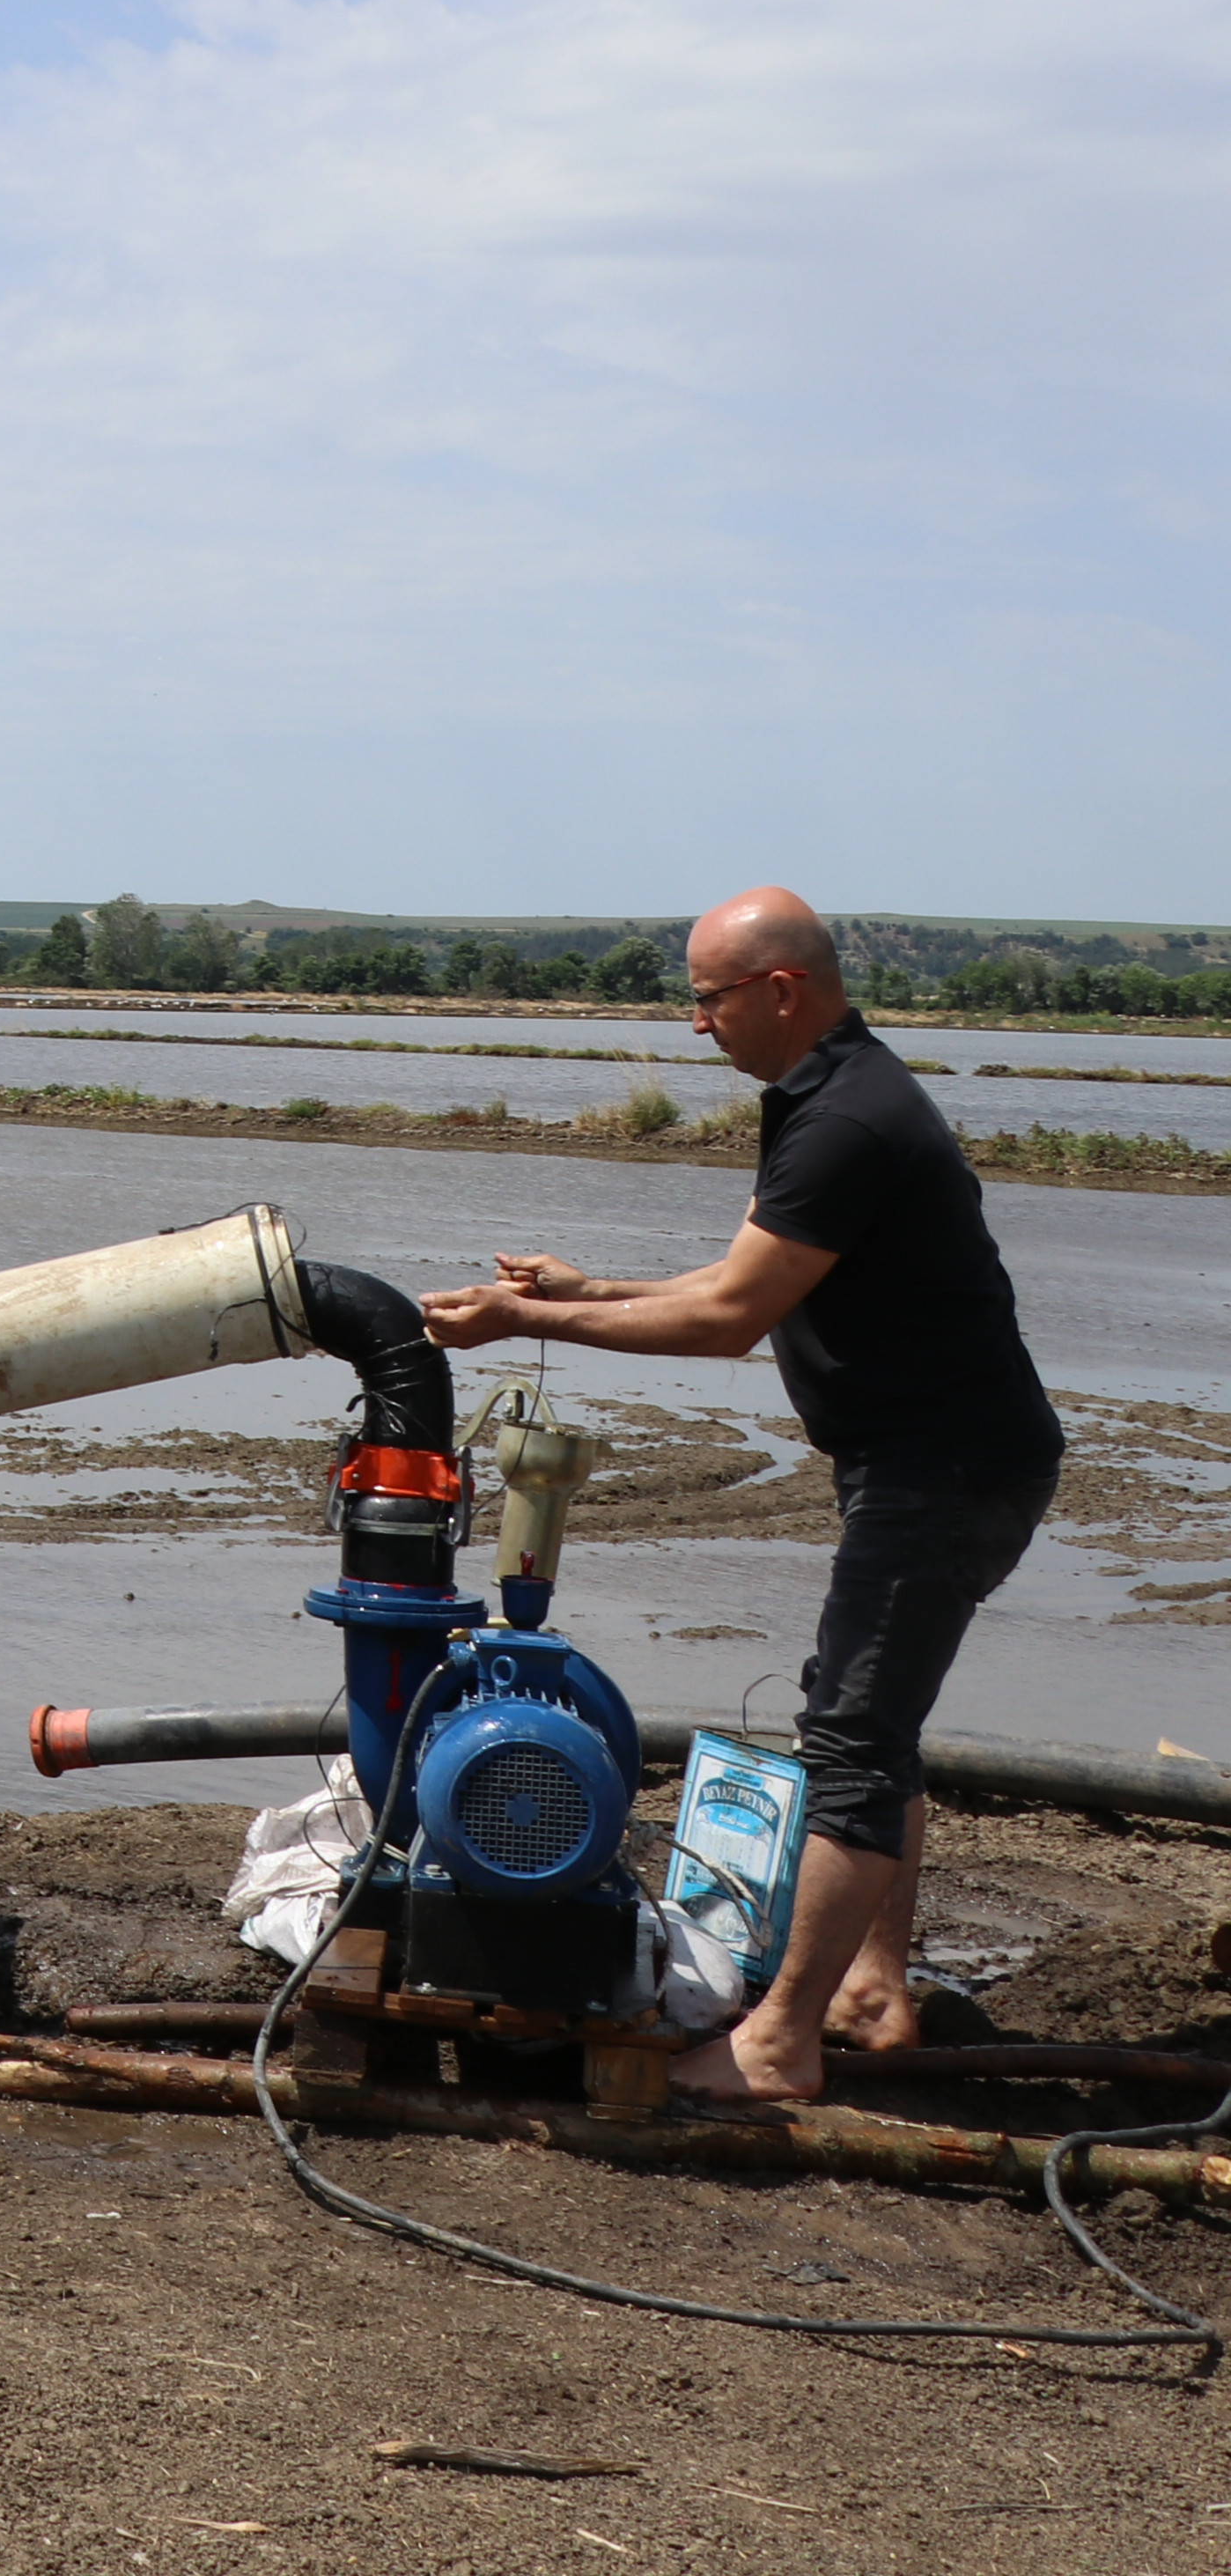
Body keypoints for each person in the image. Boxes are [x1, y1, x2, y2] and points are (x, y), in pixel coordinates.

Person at [417, 886, 1058, 2107]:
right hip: (927, 1462)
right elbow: (745, 1271)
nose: (696, 1028)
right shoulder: (828, 1097)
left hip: (946, 1470)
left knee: (855, 1740)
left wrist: (519, 1317)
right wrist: (589, 1286)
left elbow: (728, 1320)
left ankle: (779, 2048)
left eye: (708, 1000)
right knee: (861, 1712)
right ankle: (874, 1990)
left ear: (781, 990)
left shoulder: (848, 1121)